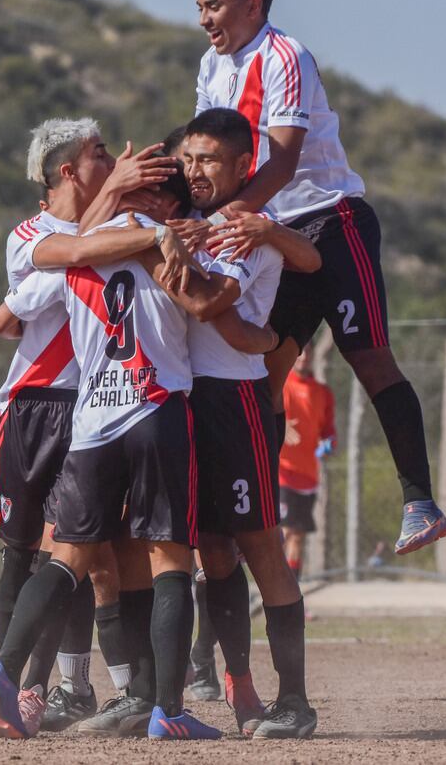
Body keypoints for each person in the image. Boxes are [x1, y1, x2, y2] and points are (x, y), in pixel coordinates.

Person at [185, 0, 446, 556]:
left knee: (368, 357)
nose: (204, 19)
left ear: (253, 6)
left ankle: (420, 502)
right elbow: (206, 153)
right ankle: (255, 507)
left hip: (331, 221)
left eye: (214, 6)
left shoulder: (286, 56)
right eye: (199, 6)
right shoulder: (210, 64)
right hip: (267, 232)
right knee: (265, 373)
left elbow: (280, 161)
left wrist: (218, 218)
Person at [0, 171, 225, 742]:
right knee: (171, 561)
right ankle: (168, 711)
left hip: (91, 424)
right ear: (166, 202)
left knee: (64, 560)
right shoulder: (163, 243)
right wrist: (179, 243)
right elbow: (207, 304)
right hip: (155, 408)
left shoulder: (79, 253)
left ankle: (3, 671)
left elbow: (5, 318)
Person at [163, 108, 319, 739]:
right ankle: (242, 690)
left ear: (240, 166)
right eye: (189, 159)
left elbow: (214, 301)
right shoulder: (184, 224)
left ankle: (297, 703)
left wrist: (251, 334)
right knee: (213, 554)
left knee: (261, 549)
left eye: (209, 160)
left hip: (236, 402)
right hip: (179, 398)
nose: (195, 171)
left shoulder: (241, 229)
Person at [278, 342, 337, 579]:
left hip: (308, 476)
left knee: (298, 535)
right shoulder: (280, 384)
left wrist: (329, 443)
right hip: (282, 472)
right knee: (285, 532)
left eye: (307, 353)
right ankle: (276, 592)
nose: (303, 358)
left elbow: (328, 430)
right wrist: (280, 426)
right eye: (299, 353)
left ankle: (293, 591)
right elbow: (259, 413)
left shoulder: (322, 393)